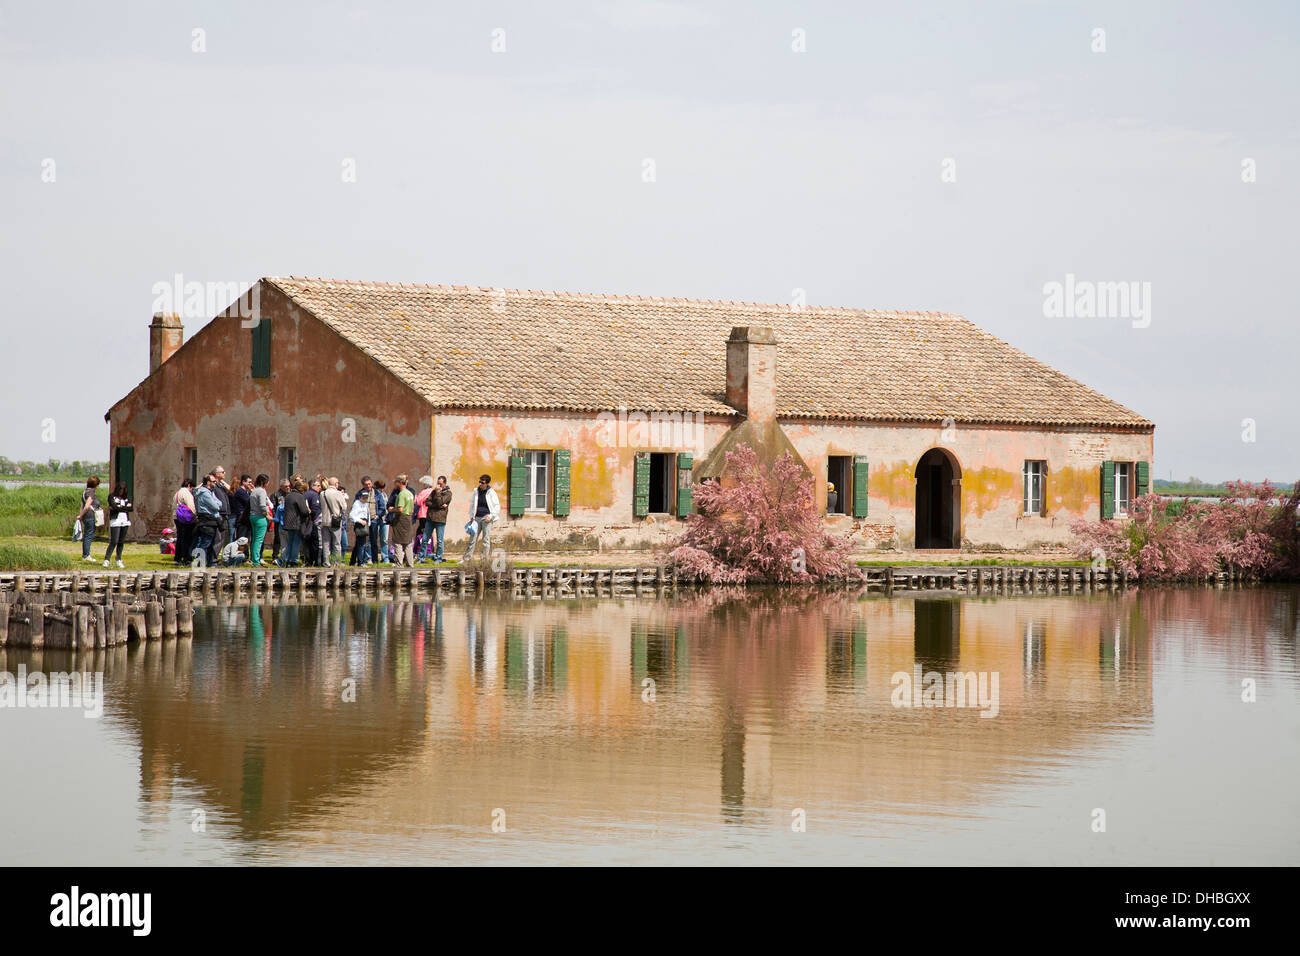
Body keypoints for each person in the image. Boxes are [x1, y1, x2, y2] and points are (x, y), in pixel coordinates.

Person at [463, 473, 500, 561]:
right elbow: (472, 504)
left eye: (482, 482)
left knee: (485, 540)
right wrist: (471, 515)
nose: (480, 484)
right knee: (472, 539)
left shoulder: (491, 492)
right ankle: (467, 559)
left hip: (486, 518)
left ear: (487, 483)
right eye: (479, 482)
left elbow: (497, 506)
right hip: (476, 518)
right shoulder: (476, 491)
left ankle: (484, 559)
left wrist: (490, 516)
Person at [277, 476, 310, 566]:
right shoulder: (299, 496)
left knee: (290, 542)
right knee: (296, 542)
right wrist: (308, 511)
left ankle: (287, 559)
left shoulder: (289, 495)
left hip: (288, 522)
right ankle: (294, 560)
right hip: (296, 522)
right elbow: (304, 511)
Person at [193, 473, 224, 565]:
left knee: (211, 543)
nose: (215, 482)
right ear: (208, 482)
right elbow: (216, 506)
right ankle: (200, 563)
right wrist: (216, 503)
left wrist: (216, 503)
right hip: (207, 520)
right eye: (213, 481)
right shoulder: (205, 493)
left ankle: (210, 562)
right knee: (206, 542)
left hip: (212, 521)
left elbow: (220, 503)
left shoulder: (211, 492)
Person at [388, 474, 416, 567]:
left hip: (401, 519)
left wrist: (391, 509)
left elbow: (400, 509)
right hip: (408, 518)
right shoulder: (410, 493)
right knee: (408, 542)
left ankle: (399, 564)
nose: (395, 484)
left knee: (398, 542)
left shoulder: (402, 494)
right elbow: (412, 510)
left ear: (399, 482)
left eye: (396, 482)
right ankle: (410, 564)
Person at [103, 482, 132, 568]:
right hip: (115, 520)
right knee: (114, 541)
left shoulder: (127, 498)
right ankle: (107, 559)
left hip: (125, 520)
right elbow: (113, 506)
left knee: (121, 541)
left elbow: (130, 508)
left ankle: (118, 559)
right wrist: (122, 508)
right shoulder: (112, 496)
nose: (121, 492)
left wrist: (119, 507)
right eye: (120, 490)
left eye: (123, 490)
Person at [322, 477, 348, 566]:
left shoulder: (323, 493)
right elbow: (344, 507)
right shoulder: (338, 493)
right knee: (336, 543)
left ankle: (326, 562)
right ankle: (336, 562)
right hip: (335, 521)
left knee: (326, 543)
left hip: (325, 521)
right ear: (336, 484)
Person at [427, 475, 452, 563]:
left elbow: (440, 501)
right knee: (425, 538)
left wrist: (438, 494)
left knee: (440, 540)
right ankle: (421, 558)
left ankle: (438, 558)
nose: (438, 486)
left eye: (440, 484)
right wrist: (438, 506)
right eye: (438, 484)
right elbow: (427, 502)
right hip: (430, 518)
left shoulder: (448, 493)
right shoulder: (434, 491)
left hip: (440, 520)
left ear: (445, 483)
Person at [75, 476, 101, 562]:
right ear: (95, 485)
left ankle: (86, 554)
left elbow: (82, 506)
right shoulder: (91, 493)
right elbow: (86, 507)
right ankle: (86, 555)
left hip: (86, 516)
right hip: (90, 516)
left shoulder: (85, 492)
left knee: (87, 535)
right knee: (89, 536)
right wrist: (81, 516)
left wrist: (80, 515)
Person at [173, 478, 196, 566]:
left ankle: (177, 557)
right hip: (185, 519)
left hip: (177, 517)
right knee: (187, 539)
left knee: (180, 538)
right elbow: (191, 506)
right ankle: (186, 558)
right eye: (192, 488)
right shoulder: (186, 493)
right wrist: (195, 516)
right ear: (189, 485)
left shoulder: (177, 493)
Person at [249, 474, 271, 565]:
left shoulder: (254, 491)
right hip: (260, 517)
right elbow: (262, 505)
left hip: (253, 516)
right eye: (267, 482)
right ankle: (256, 561)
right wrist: (267, 514)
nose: (268, 484)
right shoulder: (262, 491)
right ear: (263, 482)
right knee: (259, 540)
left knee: (254, 539)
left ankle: (254, 559)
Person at [211, 465, 233, 556]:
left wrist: (222, 481)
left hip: (225, 514)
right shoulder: (214, 485)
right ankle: (213, 559)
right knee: (218, 538)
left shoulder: (220, 485)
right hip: (219, 514)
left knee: (222, 538)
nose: (225, 473)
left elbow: (231, 490)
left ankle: (214, 558)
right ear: (217, 474)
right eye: (223, 472)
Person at [349, 488, 372, 565]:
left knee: (358, 544)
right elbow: (351, 515)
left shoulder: (365, 504)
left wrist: (368, 523)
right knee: (361, 544)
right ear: (359, 497)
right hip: (359, 525)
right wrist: (360, 521)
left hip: (365, 524)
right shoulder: (357, 504)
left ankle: (352, 561)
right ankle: (361, 562)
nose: (365, 499)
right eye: (363, 497)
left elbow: (367, 514)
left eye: (366, 498)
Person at [413, 475, 434, 560]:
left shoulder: (424, 492)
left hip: (423, 514)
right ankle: (428, 550)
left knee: (421, 532)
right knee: (428, 533)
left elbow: (417, 501)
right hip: (430, 514)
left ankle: (419, 551)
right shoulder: (433, 491)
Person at [304, 476, 323, 566]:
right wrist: (316, 518)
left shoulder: (305, 494)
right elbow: (315, 508)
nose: (320, 487)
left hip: (306, 522)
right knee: (315, 542)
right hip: (313, 521)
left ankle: (308, 560)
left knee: (307, 543)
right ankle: (316, 561)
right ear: (313, 486)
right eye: (318, 486)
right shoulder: (314, 495)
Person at [270, 478, 290, 561]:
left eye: (289, 486)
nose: (288, 488)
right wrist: (276, 518)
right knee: (278, 538)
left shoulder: (290, 494)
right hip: (279, 520)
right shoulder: (276, 495)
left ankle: (287, 555)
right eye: (286, 486)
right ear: (281, 486)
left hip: (288, 520)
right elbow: (273, 507)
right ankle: (275, 555)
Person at [371, 479, 389, 563]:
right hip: (376, 519)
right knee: (373, 539)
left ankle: (385, 557)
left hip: (385, 520)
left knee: (384, 539)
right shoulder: (373, 495)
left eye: (382, 488)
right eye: (380, 488)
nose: (381, 490)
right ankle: (369, 557)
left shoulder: (384, 495)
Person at [233, 474, 253, 541]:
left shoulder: (247, 492)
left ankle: (245, 551)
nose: (250, 484)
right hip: (241, 519)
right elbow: (250, 502)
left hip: (246, 519)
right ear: (243, 482)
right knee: (241, 539)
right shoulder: (240, 491)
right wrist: (253, 492)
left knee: (246, 539)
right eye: (249, 482)